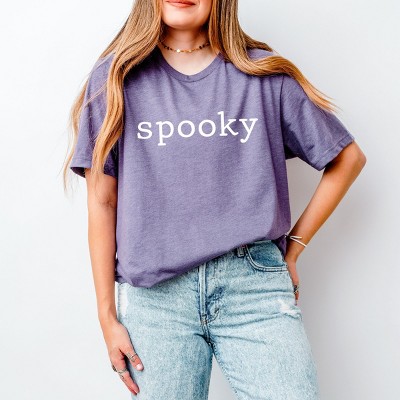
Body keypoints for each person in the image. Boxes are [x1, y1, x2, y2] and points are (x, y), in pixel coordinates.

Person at [63, 0, 367, 398]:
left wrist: (293, 249)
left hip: (253, 288)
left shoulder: (263, 74)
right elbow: (102, 202)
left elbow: (347, 159)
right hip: (156, 302)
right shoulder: (115, 79)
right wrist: (107, 317)